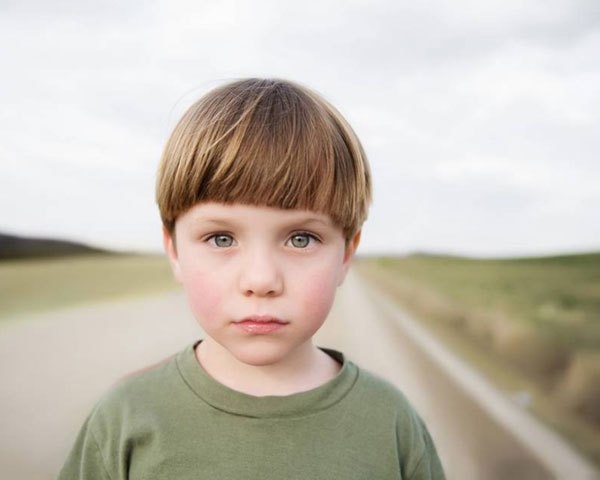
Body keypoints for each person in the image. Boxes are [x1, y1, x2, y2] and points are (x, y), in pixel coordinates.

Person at [58, 78, 445, 479]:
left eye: (301, 239)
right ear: (174, 250)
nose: (261, 280)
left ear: (347, 252)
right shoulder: (126, 418)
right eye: (221, 238)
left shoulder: (390, 422)